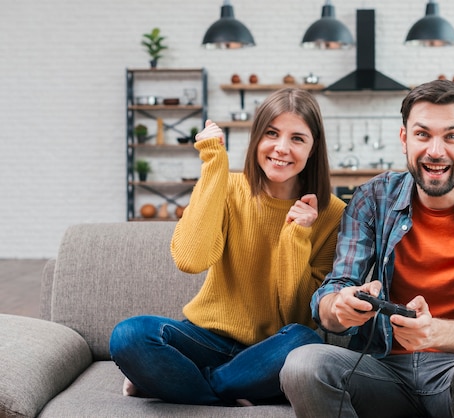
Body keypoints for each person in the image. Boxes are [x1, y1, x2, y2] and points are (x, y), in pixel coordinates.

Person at [280, 80, 454, 417]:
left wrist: (435, 332)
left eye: (451, 136)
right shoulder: (372, 198)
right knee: (302, 364)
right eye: (423, 134)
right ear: (405, 139)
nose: (435, 151)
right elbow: (334, 290)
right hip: (384, 371)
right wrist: (338, 308)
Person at [109, 88, 346, 406]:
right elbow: (190, 259)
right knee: (129, 335)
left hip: (271, 348)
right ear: (256, 139)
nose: (281, 148)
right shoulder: (230, 187)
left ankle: (184, 384)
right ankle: (230, 391)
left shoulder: (331, 213)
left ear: (314, 148)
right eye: (271, 133)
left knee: (306, 341)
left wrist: (297, 237)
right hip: (206, 336)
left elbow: (297, 312)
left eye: (298, 139)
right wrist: (213, 165)